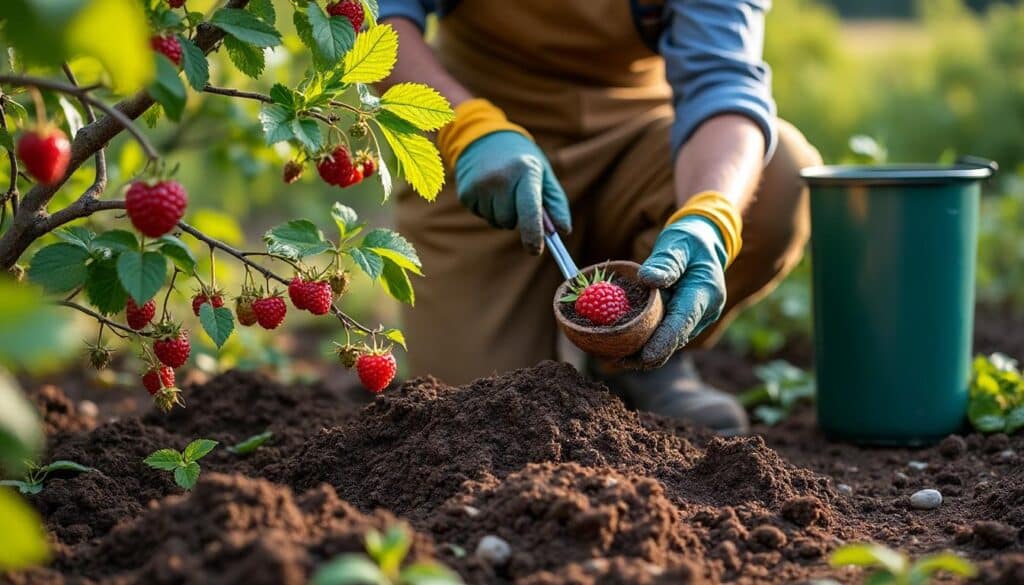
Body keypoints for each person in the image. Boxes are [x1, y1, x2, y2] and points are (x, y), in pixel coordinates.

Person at [378, 0, 822, 435]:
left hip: (637, 140)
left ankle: (634, 358)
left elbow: (722, 81)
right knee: (486, 419)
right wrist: (466, 127)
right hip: (483, 157)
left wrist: (710, 215)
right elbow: (375, 16)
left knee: (777, 177)